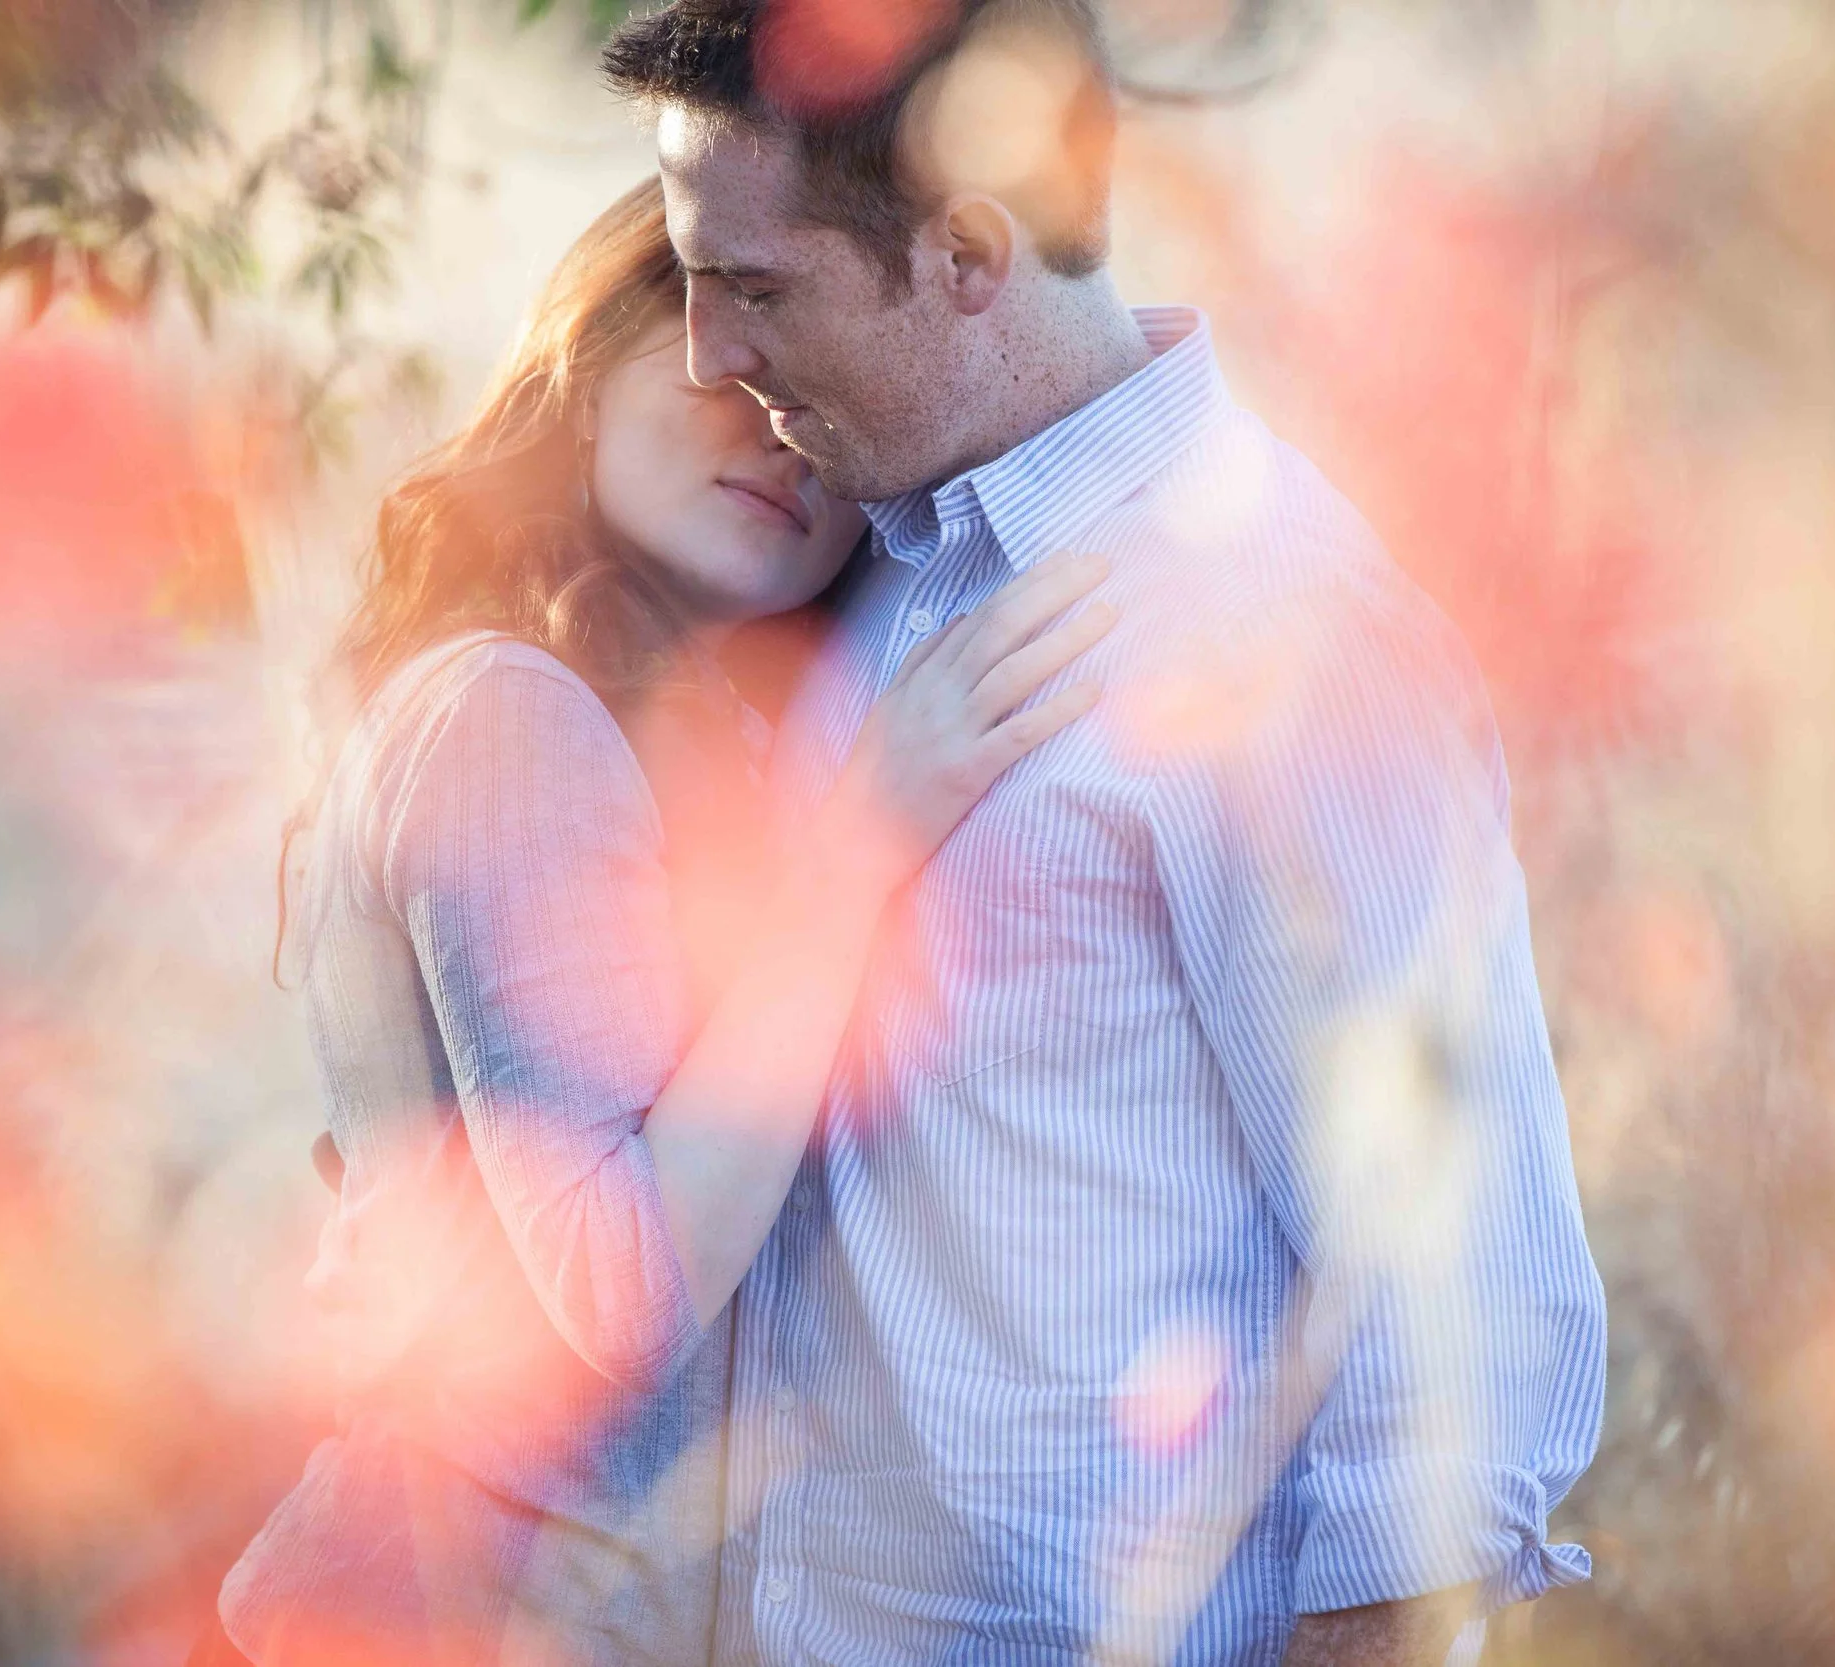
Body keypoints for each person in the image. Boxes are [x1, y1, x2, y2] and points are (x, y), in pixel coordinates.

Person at [599, 3, 1610, 1664]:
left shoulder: (1279, 631)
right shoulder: (885, 566)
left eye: (757, 287)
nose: (707, 352)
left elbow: (1457, 1349)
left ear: (975, 253)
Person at [203, 178, 1114, 1666]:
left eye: (826, 414)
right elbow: (619, 1293)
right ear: (594, 357)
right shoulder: (510, 711)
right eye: (739, 355)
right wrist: (863, 840)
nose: (781, 441)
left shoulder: (672, 756)